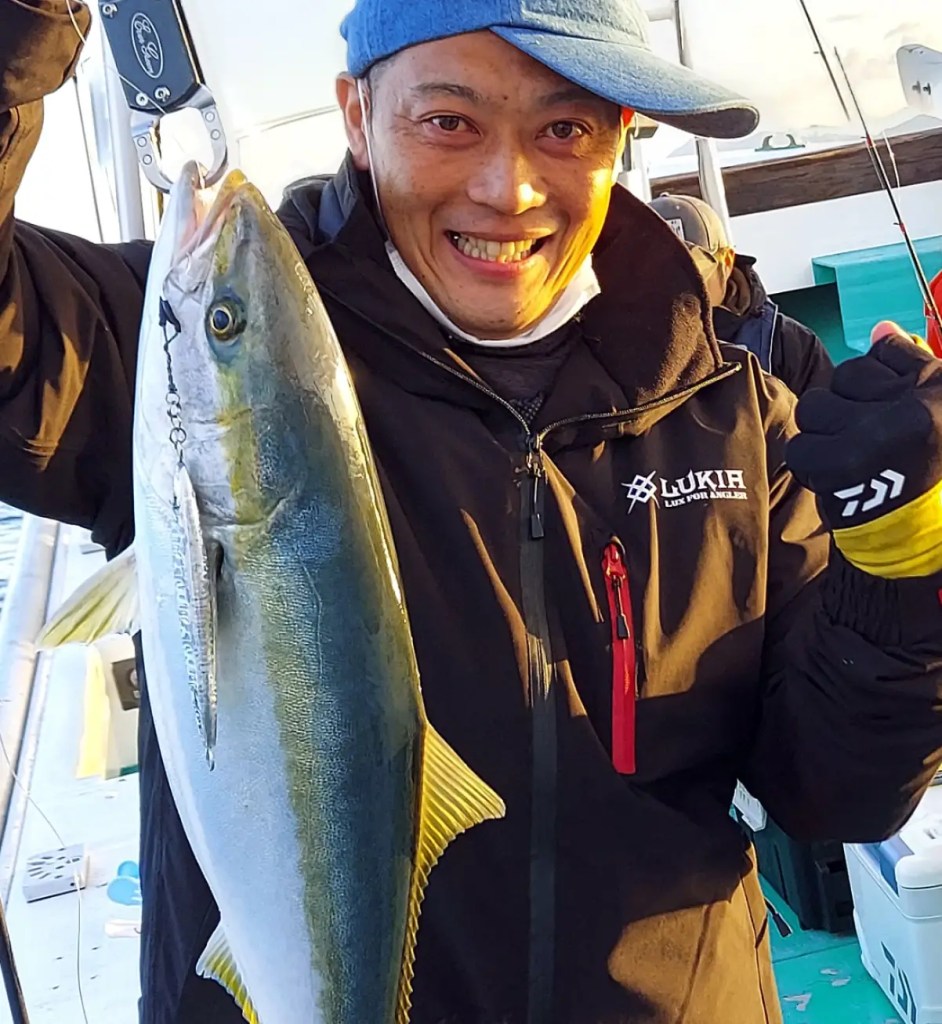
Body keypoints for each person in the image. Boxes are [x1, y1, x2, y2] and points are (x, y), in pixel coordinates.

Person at [4, 2, 942, 1022]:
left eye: (565, 127)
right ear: (358, 117)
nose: (509, 189)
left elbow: (835, 793)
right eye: (448, 122)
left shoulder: (738, 406)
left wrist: (905, 574)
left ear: (621, 137)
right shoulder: (194, 341)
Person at [649, 192, 835, 394]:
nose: (672, 291)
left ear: (727, 262)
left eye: (689, 275)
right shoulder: (625, 351)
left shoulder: (788, 345)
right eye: (655, 277)